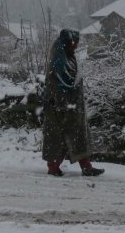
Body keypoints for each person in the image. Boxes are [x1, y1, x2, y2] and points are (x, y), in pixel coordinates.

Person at [41, 28, 104, 177]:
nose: (77, 45)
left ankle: (86, 166)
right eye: (75, 42)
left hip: (73, 104)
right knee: (59, 137)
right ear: (68, 42)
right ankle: (53, 167)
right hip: (59, 105)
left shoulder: (69, 56)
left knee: (77, 135)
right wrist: (62, 105)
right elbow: (56, 84)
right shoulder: (59, 60)